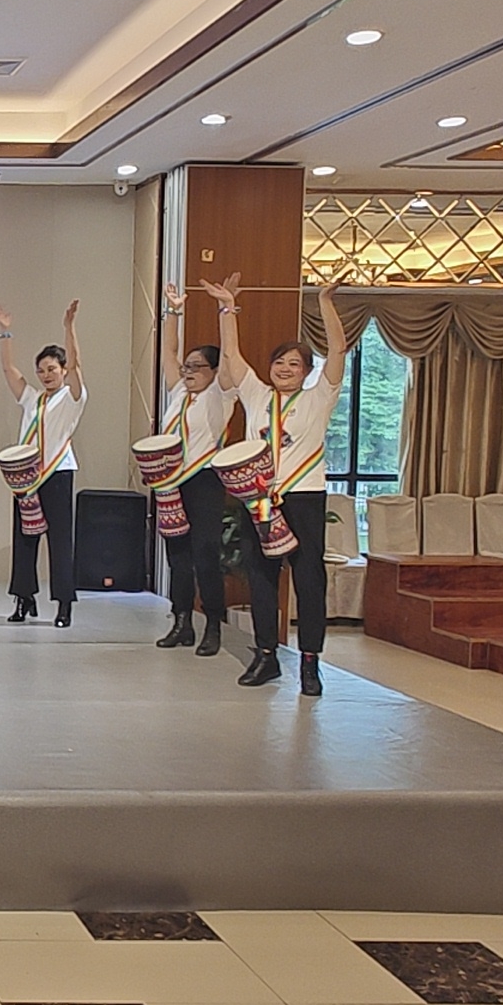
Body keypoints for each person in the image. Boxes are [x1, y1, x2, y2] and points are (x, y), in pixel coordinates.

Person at [203, 273, 347, 696]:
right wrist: (227, 307)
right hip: (260, 498)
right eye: (279, 363)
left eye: (294, 364)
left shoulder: (319, 398)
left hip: (303, 496)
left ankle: (310, 663)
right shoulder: (257, 395)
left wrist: (324, 301)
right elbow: (231, 356)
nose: (284, 369)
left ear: (307, 372)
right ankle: (266, 655)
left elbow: (338, 350)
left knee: (309, 579)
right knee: (261, 576)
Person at [154, 283, 237, 657]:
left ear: (214, 371)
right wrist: (174, 312)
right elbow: (168, 353)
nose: (187, 372)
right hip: (172, 482)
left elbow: (230, 356)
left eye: (196, 367)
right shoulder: (178, 394)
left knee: (205, 554)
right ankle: (181, 621)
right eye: (186, 367)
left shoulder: (221, 394)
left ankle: (214, 624)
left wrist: (225, 310)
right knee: (178, 556)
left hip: (204, 480)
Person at [0, 301, 86, 628]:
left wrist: (69, 328)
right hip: (28, 478)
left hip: (58, 473)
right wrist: (5, 331)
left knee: (60, 541)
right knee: (25, 538)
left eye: (52, 369)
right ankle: (24, 598)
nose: (46, 375)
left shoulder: (72, 397)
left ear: (62, 370)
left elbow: (76, 365)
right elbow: (9, 370)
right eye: (41, 370)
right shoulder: (32, 398)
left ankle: (64, 605)